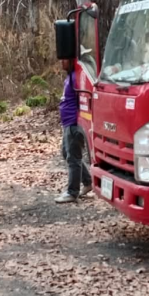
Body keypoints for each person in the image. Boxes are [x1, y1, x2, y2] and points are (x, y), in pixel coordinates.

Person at [56, 59, 92, 204]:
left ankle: (72, 192)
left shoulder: (77, 77)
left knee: (73, 157)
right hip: (67, 123)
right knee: (67, 153)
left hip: (73, 123)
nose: (61, 63)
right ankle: (88, 182)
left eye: (64, 60)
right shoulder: (70, 76)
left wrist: (79, 122)